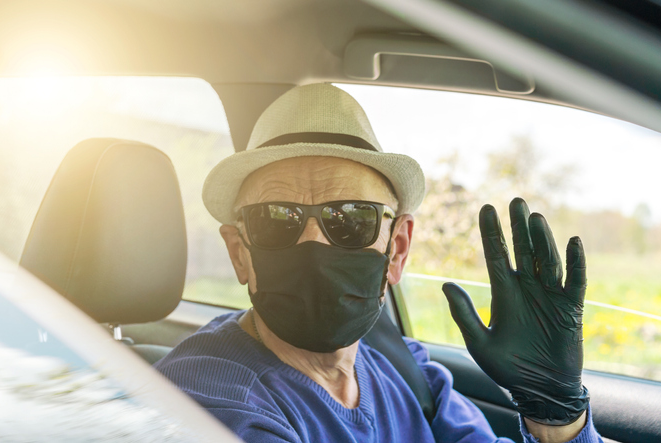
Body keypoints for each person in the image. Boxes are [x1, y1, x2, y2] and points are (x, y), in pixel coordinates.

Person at [155, 84, 602, 443]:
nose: (313, 245)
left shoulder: (403, 365)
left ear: (397, 249)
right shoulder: (205, 401)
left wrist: (555, 418)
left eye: (351, 219)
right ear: (239, 252)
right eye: (276, 220)